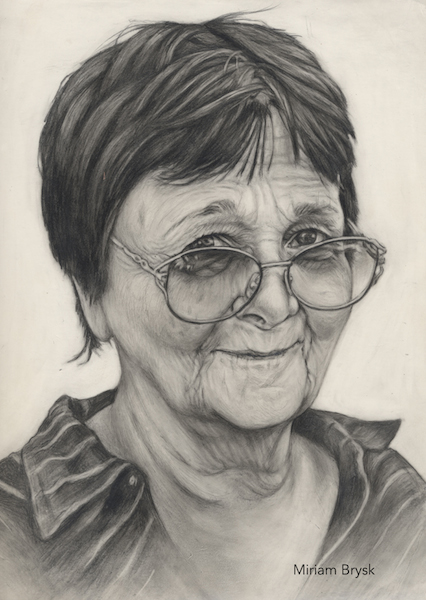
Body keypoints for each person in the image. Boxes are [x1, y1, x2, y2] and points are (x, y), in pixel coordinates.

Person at [0, 14, 425, 600]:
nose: (275, 304)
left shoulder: (401, 515)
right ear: (91, 291)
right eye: (208, 254)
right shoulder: (15, 539)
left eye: (310, 240)